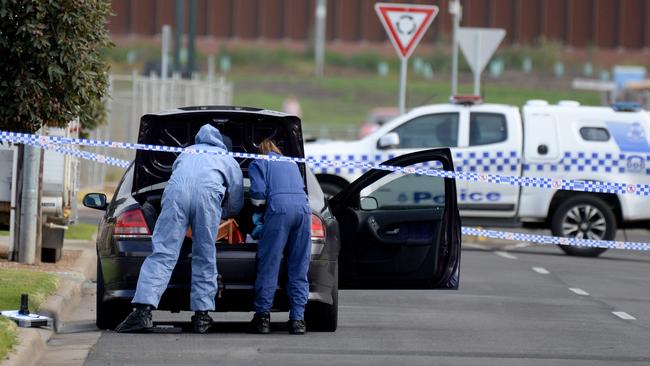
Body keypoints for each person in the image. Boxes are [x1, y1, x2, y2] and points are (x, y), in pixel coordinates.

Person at [116, 124, 243, 334]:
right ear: (221, 143)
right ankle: (202, 317)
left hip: (176, 195)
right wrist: (226, 215)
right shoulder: (228, 158)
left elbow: (177, 176)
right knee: (205, 255)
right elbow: (236, 198)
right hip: (208, 197)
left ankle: (142, 311)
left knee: (163, 252)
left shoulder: (187, 152)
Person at [248, 139, 311, 335]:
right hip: (303, 211)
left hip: (279, 211)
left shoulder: (259, 162)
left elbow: (258, 196)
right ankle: (298, 320)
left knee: (270, 263)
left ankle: (263, 317)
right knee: (299, 265)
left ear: (261, 150)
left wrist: (258, 213)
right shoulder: (291, 163)